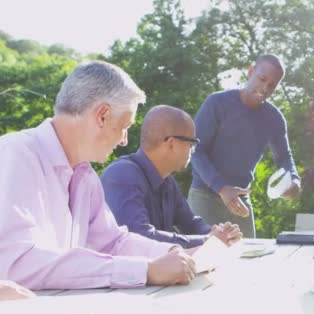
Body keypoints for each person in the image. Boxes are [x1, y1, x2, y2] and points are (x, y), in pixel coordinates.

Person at [0, 61, 197, 290]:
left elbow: (113, 243)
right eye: (125, 126)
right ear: (102, 115)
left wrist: (178, 254)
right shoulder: (15, 154)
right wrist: (144, 270)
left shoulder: (85, 176)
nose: (124, 140)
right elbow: (17, 264)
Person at [188, 54, 301, 238]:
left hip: (240, 202)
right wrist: (221, 188)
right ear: (250, 72)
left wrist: (294, 181)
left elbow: (284, 159)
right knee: (201, 261)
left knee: (248, 261)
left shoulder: (274, 118)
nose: (265, 88)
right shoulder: (217, 103)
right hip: (204, 196)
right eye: (262, 79)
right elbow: (195, 150)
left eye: (272, 85)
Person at [101, 105, 242, 249]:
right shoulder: (122, 175)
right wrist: (206, 240)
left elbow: (190, 223)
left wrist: (218, 234)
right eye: (191, 144)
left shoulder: (167, 181)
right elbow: (139, 237)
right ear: (172, 144)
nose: (192, 151)